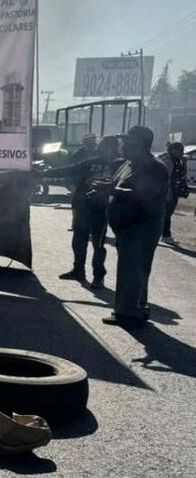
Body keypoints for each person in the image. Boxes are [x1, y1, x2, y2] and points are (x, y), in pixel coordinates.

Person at [98, 126, 169, 328]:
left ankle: (128, 313)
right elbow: (118, 185)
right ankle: (137, 308)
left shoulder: (154, 167)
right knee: (133, 270)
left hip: (142, 227)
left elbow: (144, 194)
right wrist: (105, 188)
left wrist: (113, 191)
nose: (122, 144)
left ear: (140, 143)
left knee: (132, 271)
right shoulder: (129, 163)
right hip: (127, 227)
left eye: (127, 140)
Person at [46, 135, 120, 288]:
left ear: (113, 148)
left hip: (101, 209)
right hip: (83, 206)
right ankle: (78, 270)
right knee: (78, 241)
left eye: (104, 145)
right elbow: (68, 169)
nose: (100, 147)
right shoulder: (91, 161)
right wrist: (43, 173)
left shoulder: (120, 164)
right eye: (101, 145)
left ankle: (98, 277)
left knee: (98, 245)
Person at [162, 142, 189, 240]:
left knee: (168, 213)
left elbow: (182, 175)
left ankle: (164, 234)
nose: (182, 153)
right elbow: (167, 178)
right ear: (174, 150)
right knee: (166, 214)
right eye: (180, 151)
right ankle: (166, 235)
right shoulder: (168, 161)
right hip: (169, 192)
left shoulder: (177, 161)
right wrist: (168, 193)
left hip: (174, 191)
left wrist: (184, 163)